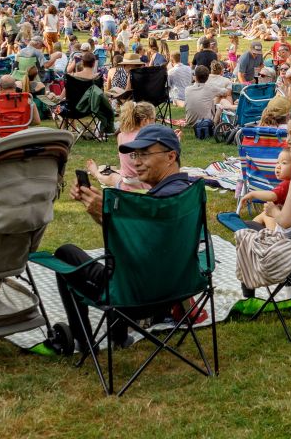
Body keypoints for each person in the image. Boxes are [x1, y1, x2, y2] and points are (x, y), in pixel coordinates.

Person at [50, 123, 193, 350]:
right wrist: (99, 211)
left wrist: (103, 213)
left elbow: (128, 248)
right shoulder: (186, 192)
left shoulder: (158, 203)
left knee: (65, 254)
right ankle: (118, 338)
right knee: (119, 267)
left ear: (170, 156)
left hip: (137, 297)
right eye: (134, 154)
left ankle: (83, 340)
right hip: (180, 286)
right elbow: (141, 242)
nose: (135, 161)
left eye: (144, 154)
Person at [91, 101, 156, 191]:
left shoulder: (121, 136)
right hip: (146, 186)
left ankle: (96, 173)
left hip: (125, 184)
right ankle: (97, 173)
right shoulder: (148, 138)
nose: (155, 124)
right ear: (145, 121)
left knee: (113, 177)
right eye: (153, 120)